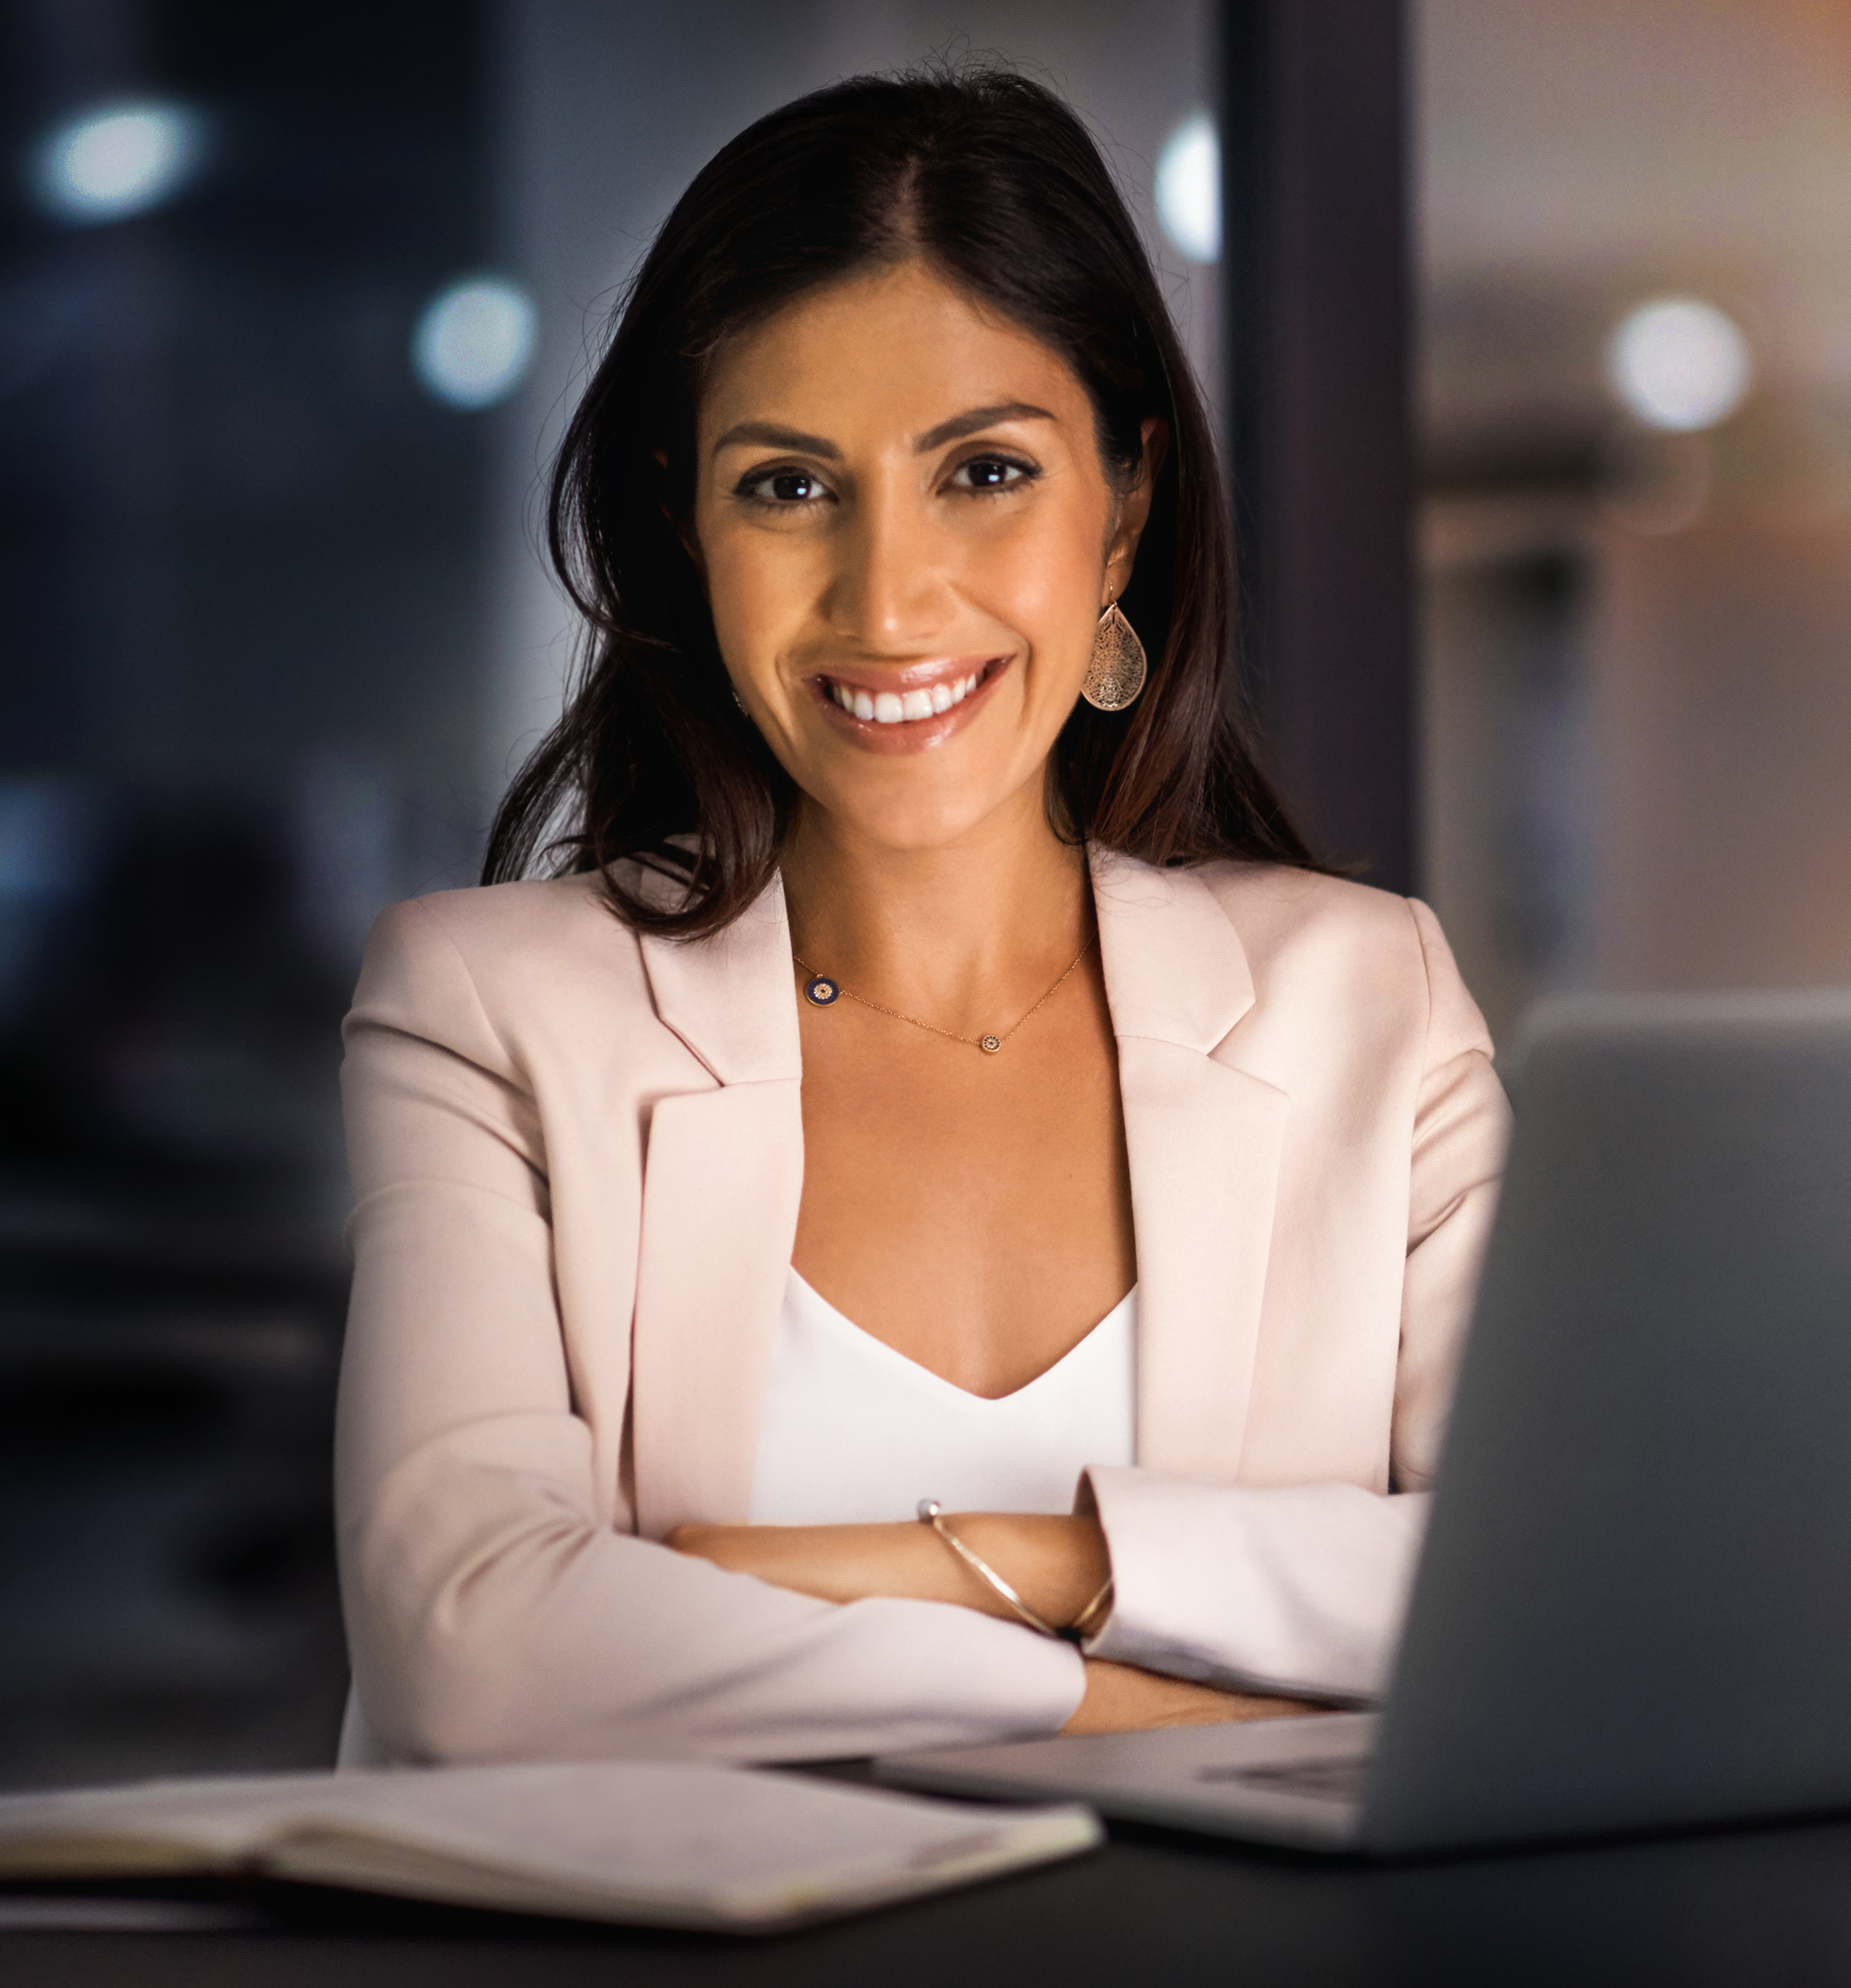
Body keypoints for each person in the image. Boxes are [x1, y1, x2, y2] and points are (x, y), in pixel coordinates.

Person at [333, 67, 1507, 1765]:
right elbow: (475, 1657)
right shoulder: (488, 1013)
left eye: (984, 471)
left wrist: (1008, 1561)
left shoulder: (1368, 1005)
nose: (885, 602)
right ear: (684, 527)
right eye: (788, 487)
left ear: (1124, 510)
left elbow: (1546, 1588)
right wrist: (1127, 1700)